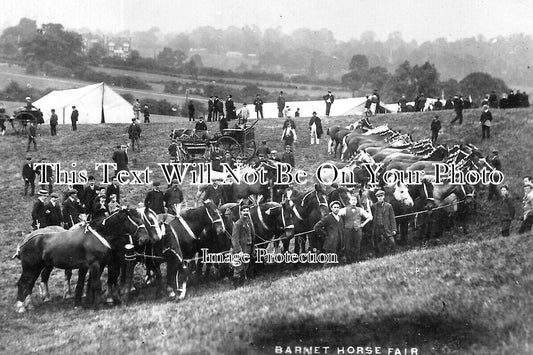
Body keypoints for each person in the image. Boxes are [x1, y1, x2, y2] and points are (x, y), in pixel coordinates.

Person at [338, 196, 372, 263]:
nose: (353, 201)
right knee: (347, 246)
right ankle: (349, 261)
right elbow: (336, 214)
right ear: (349, 201)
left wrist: (363, 224)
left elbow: (370, 217)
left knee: (357, 245)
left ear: (356, 202)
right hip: (348, 231)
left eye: (355, 200)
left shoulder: (360, 210)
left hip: (357, 230)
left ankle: (356, 260)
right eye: (352, 200)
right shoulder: (345, 209)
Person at [231, 201, 255, 287]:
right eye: (244, 211)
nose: (246, 213)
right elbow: (234, 240)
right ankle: (236, 286)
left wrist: (253, 248)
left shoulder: (249, 222)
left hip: (248, 248)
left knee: (246, 266)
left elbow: (253, 235)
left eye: (247, 211)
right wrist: (239, 251)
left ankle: (242, 285)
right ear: (241, 212)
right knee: (239, 268)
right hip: (241, 249)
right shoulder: (237, 224)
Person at [371, 189, 397, 256]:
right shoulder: (373, 206)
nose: (380, 198)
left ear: (383, 197)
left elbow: (392, 218)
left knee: (392, 242)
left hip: (386, 227)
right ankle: (378, 256)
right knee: (377, 243)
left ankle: (393, 255)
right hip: (377, 228)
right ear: (376, 197)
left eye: (381, 196)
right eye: (378, 196)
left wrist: (394, 229)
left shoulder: (389, 206)